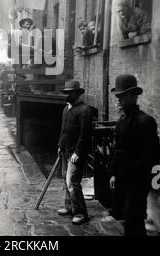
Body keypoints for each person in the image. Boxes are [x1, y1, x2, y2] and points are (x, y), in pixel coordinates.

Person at [109, 74, 159, 236]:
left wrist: (134, 173)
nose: (118, 100)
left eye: (121, 96)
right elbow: (118, 150)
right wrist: (114, 174)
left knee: (133, 218)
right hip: (123, 179)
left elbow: (152, 154)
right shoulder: (121, 122)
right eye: (117, 96)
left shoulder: (146, 121)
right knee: (125, 216)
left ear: (133, 97)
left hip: (138, 181)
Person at [57, 80, 93, 225]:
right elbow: (63, 131)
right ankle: (70, 207)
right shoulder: (66, 110)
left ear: (77, 93)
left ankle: (81, 213)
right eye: (65, 92)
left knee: (73, 182)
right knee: (66, 180)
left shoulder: (85, 111)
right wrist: (60, 145)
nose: (66, 95)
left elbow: (85, 135)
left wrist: (78, 152)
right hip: (66, 151)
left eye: (69, 93)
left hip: (76, 153)